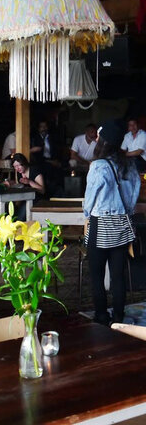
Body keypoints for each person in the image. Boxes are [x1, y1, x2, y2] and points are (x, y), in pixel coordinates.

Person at [84, 120, 140, 326]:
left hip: (101, 223)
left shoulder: (98, 166)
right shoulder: (129, 163)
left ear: (104, 141)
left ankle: (101, 315)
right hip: (122, 223)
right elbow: (135, 190)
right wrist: (127, 210)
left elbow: (90, 198)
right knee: (118, 275)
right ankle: (118, 316)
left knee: (97, 274)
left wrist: (87, 213)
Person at [8, 153, 45, 220]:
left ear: (24, 163)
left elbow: (42, 190)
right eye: (15, 166)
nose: (17, 168)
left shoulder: (34, 170)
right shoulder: (19, 173)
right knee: (12, 207)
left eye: (18, 165)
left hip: (38, 198)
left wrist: (29, 182)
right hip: (26, 198)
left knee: (22, 212)